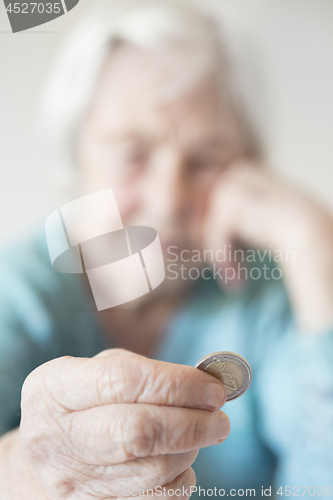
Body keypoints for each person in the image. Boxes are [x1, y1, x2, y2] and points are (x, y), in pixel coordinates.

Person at [1, 0, 333, 498]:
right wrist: (26, 469)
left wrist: (314, 244)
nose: (169, 198)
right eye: (133, 153)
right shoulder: (18, 287)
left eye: (205, 159)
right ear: (74, 159)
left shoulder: (265, 291)